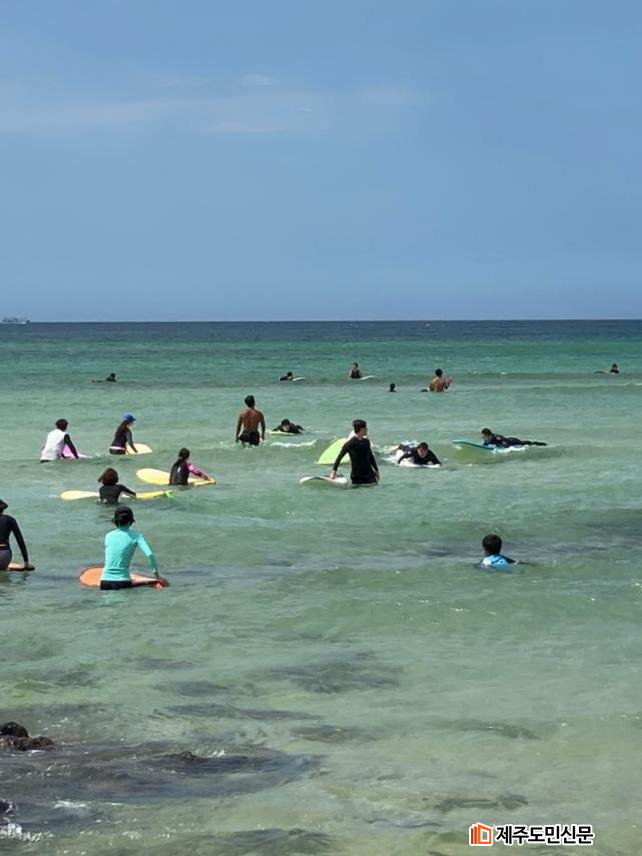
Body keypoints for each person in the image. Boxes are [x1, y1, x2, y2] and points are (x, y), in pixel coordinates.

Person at [100, 506, 168, 590]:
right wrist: (157, 577)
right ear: (130, 521)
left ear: (116, 521)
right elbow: (150, 554)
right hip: (123, 581)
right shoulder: (136, 536)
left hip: (104, 582)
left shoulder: (108, 536)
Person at [330, 419, 379, 485]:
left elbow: (371, 457)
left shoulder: (366, 442)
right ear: (362, 429)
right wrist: (333, 472)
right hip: (357, 477)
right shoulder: (349, 444)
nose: (367, 429)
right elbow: (339, 458)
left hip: (369, 476)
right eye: (366, 428)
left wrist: (376, 471)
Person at [0, 500, 34, 571]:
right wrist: (26, 562)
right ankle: (6, 566)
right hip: (4, 557)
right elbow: (20, 541)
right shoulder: (9, 519)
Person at [481, 428, 547, 448]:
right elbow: (484, 446)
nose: (483, 438)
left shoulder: (498, 438)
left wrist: (501, 448)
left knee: (523, 443)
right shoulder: (487, 440)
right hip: (509, 440)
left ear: (488, 435)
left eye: (484, 436)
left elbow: (506, 446)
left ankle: (539, 443)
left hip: (513, 441)